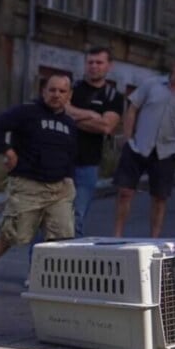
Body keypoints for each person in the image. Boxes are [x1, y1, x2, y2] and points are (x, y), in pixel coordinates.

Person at [0, 75, 78, 300]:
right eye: (52, 90)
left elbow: (70, 153)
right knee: (13, 234)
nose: (56, 95)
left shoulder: (69, 124)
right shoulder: (27, 112)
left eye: (62, 91)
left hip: (60, 189)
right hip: (28, 185)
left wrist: (69, 178)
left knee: (62, 237)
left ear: (69, 95)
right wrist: (7, 151)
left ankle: (48, 282)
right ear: (43, 91)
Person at [112, 52, 175, 238]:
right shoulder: (152, 84)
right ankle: (117, 236)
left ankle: (154, 240)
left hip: (167, 150)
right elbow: (133, 108)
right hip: (139, 146)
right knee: (124, 191)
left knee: (160, 197)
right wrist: (127, 136)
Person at [61, 47, 125, 237]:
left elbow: (106, 127)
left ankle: (70, 264)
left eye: (99, 62)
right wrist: (90, 115)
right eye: (90, 62)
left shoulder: (113, 97)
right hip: (60, 161)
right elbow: (60, 109)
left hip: (87, 164)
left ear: (109, 66)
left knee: (77, 217)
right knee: (50, 217)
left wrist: (72, 115)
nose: (94, 66)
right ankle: (40, 263)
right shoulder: (71, 88)